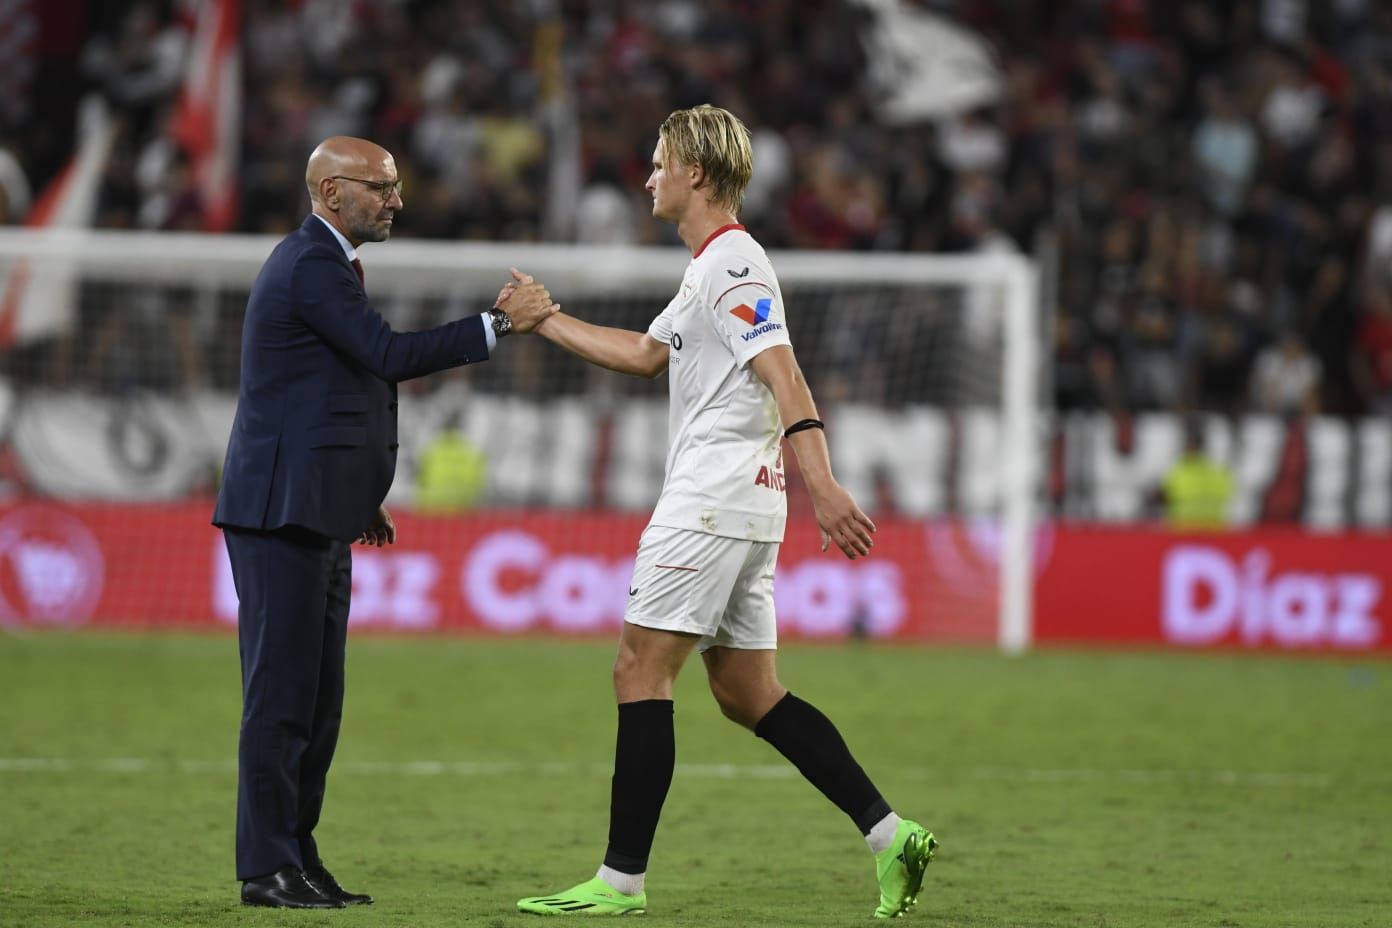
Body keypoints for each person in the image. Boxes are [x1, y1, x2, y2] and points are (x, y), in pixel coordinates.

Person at [512, 105, 935, 919]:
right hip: (746, 508)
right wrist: (548, 320)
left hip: (711, 500)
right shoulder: (708, 267)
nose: (648, 178)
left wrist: (826, 483)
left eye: (659, 162)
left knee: (639, 668)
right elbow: (643, 354)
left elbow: (788, 379)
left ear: (695, 175)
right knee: (747, 692)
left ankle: (620, 881)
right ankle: (891, 836)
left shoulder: (733, 265)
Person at [212, 136, 556, 909]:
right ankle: (265, 868)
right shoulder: (308, 265)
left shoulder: (326, 267)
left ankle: (297, 859)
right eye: (382, 188)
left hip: (317, 509)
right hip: (280, 514)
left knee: (316, 705)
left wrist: (357, 488)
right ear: (333, 194)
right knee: (279, 700)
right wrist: (498, 325)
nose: (397, 200)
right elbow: (386, 355)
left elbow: (325, 386)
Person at [1162, 417, 1234, 530]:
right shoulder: (1177, 470)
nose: (1190, 448)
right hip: (1185, 529)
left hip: (1210, 530)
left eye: (1193, 444)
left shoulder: (1178, 471)